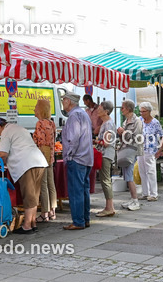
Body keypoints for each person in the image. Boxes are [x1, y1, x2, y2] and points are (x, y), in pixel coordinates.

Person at [0, 117, 47, 234]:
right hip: (39, 162)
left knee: (29, 195)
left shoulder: (6, 132)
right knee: (34, 195)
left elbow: (3, 155)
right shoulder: (19, 128)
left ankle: (27, 225)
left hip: (27, 164)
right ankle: (33, 223)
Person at [60, 92, 94, 230]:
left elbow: (73, 139)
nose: (62, 103)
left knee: (76, 191)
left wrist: (69, 155)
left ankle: (78, 221)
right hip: (86, 157)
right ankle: (85, 219)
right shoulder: (83, 114)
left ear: (68, 101)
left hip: (77, 158)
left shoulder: (74, 116)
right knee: (84, 190)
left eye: (63, 100)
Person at [116, 100, 143, 210]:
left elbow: (137, 137)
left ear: (128, 109)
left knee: (129, 176)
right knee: (127, 176)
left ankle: (135, 201)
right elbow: (124, 138)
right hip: (126, 149)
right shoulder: (126, 121)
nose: (121, 109)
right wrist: (120, 134)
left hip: (132, 150)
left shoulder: (137, 121)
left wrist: (123, 132)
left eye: (122, 107)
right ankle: (132, 199)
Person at [33, 98, 56, 222]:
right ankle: (52, 211)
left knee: (43, 184)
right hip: (51, 153)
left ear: (40, 109)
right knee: (51, 183)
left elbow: (40, 141)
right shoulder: (51, 123)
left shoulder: (40, 123)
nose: (34, 109)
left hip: (42, 153)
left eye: (36, 107)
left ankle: (44, 213)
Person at [94, 101, 117, 218]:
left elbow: (106, 143)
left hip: (105, 154)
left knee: (105, 180)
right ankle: (109, 207)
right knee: (105, 179)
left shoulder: (108, 124)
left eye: (100, 109)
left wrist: (95, 141)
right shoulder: (106, 123)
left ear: (106, 111)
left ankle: (109, 207)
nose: (98, 110)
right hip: (105, 154)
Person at [139, 102, 163, 201]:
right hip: (140, 149)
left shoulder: (155, 122)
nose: (141, 113)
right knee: (142, 172)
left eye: (143, 111)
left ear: (149, 111)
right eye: (140, 111)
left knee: (150, 172)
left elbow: (162, 135)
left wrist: (160, 149)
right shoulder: (140, 120)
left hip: (151, 150)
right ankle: (145, 193)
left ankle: (154, 194)